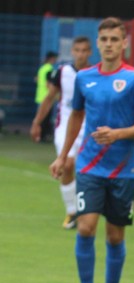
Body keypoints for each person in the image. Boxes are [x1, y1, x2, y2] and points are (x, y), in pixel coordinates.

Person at [49, 16, 134, 283]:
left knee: (114, 235)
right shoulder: (85, 78)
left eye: (114, 39)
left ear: (125, 44)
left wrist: (118, 134)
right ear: (98, 43)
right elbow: (77, 115)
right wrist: (64, 155)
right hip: (89, 165)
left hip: (123, 170)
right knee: (85, 228)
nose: (108, 44)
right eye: (104, 39)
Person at [30, 36, 92, 229]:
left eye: (84, 50)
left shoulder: (95, 73)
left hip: (89, 126)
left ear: (90, 52)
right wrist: (37, 122)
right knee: (67, 164)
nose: (80, 54)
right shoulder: (62, 71)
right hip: (64, 125)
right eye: (77, 50)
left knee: (86, 171)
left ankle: (85, 209)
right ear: (72, 51)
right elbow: (49, 98)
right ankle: (72, 212)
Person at [34, 51, 58, 143]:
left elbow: (36, 79)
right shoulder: (49, 68)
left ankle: (40, 136)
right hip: (47, 97)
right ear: (52, 58)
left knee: (41, 117)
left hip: (40, 95)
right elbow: (49, 84)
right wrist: (55, 94)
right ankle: (42, 137)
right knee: (45, 118)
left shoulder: (42, 68)